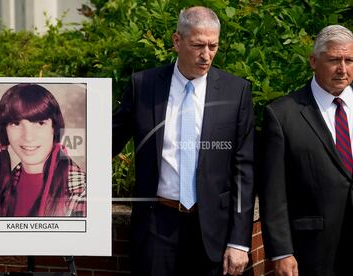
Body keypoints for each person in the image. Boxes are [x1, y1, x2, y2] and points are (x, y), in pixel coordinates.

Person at [112, 6, 255, 276]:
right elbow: (109, 141)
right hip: (158, 226)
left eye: (213, 46)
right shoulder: (143, 85)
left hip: (214, 227)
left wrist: (239, 241)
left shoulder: (236, 91)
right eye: (198, 45)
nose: (206, 55)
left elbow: (243, 170)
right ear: (177, 41)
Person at [259, 25, 353, 275]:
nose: (342, 69)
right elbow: (273, 191)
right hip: (312, 252)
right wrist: (281, 251)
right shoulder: (281, 115)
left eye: (349, 60)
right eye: (334, 60)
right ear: (313, 61)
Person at [0, 84, 86, 217]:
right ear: (5, 130)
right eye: (16, 124)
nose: (28, 137)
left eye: (40, 123)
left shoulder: (81, 190)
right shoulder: (2, 181)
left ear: (54, 128)